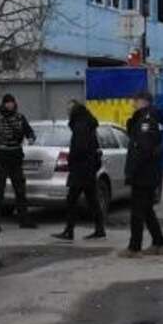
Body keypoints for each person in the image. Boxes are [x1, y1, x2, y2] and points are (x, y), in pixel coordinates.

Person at [120, 91, 163, 258]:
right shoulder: (150, 117)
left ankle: (134, 248)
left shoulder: (147, 119)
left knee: (137, 212)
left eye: (135, 100)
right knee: (147, 210)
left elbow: (143, 148)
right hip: (150, 172)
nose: (133, 102)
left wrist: (133, 170)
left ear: (143, 101)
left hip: (143, 173)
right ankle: (159, 244)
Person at [0, 93, 38, 229]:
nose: (10, 105)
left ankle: (24, 220)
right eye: (7, 102)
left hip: (16, 159)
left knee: (20, 190)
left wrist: (31, 137)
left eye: (12, 102)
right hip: (2, 159)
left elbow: (29, 132)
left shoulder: (20, 118)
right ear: (4, 104)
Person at [53, 101, 106, 241]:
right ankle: (99, 229)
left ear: (75, 111)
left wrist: (71, 161)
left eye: (69, 109)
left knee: (72, 200)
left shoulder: (80, 125)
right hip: (88, 168)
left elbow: (79, 147)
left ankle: (69, 231)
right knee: (92, 199)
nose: (67, 111)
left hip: (80, 168)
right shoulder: (87, 123)